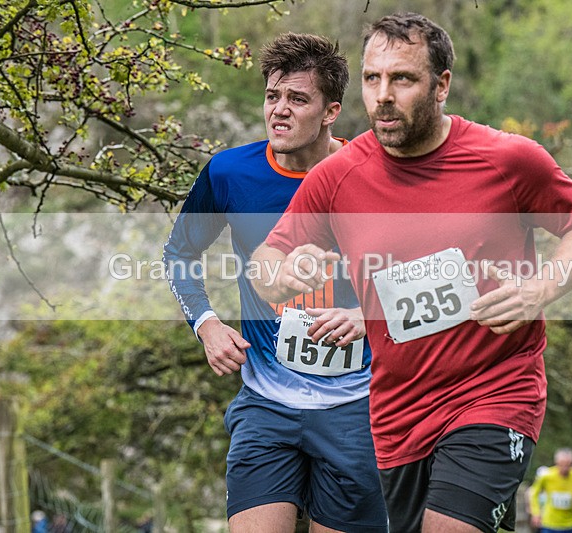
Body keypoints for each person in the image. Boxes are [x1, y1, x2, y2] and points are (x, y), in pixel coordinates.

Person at [250, 12, 572, 533]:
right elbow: (266, 263)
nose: (382, 95)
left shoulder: (507, 161)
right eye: (373, 79)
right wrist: (287, 272)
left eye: (402, 79)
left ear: (441, 84)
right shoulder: (337, 176)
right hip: (396, 413)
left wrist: (542, 286)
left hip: (494, 392)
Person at [162, 33, 386, 532]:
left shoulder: (375, 177)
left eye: (297, 99)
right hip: (266, 404)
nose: (279, 111)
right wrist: (207, 324)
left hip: (358, 409)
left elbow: (425, 273)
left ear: (330, 112)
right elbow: (178, 253)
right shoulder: (229, 173)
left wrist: (368, 317)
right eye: (272, 96)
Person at [528, 448, 572, 533]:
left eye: (568, 465)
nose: (565, 468)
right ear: (556, 463)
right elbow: (534, 493)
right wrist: (536, 512)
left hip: (570, 525)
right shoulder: (546, 476)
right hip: (549, 524)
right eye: (562, 464)